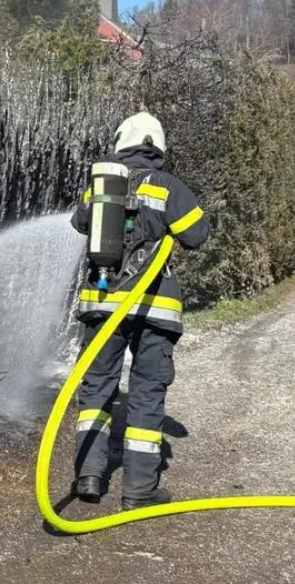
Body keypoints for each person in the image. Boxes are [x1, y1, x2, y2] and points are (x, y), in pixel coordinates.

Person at [69, 112, 210, 510]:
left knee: (96, 388)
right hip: (154, 309)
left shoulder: (100, 185)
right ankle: (138, 491)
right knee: (147, 394)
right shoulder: (169, 187)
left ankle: (90, 476)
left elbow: (80, 222)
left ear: (120, 143)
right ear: (159, 147)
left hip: (101, 303)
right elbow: (197, 235)